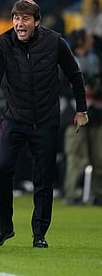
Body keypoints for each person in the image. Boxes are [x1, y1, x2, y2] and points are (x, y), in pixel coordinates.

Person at [0, 0, 88, 248]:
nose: (19, 23)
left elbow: (74, 74)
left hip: (47, 120)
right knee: (3, 168)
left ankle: (39, 232)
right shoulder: (2, 44)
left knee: (43, 177)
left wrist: (81, 109)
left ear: (36, 22)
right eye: (16, 18)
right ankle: (4, 226)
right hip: (14, 119)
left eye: (25, 18)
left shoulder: (54, 42)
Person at [63, 29, 102, 206]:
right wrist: (78, 90)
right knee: (77, 156)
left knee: (99, 157)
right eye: (88, 39)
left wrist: (96, 89)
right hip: (74, 115)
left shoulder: (96, 59)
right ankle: (72, 193)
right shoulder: (65, 60)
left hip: (97, 114)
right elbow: (59, 86)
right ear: (81, 41)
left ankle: (98, 194)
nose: (91, 41)